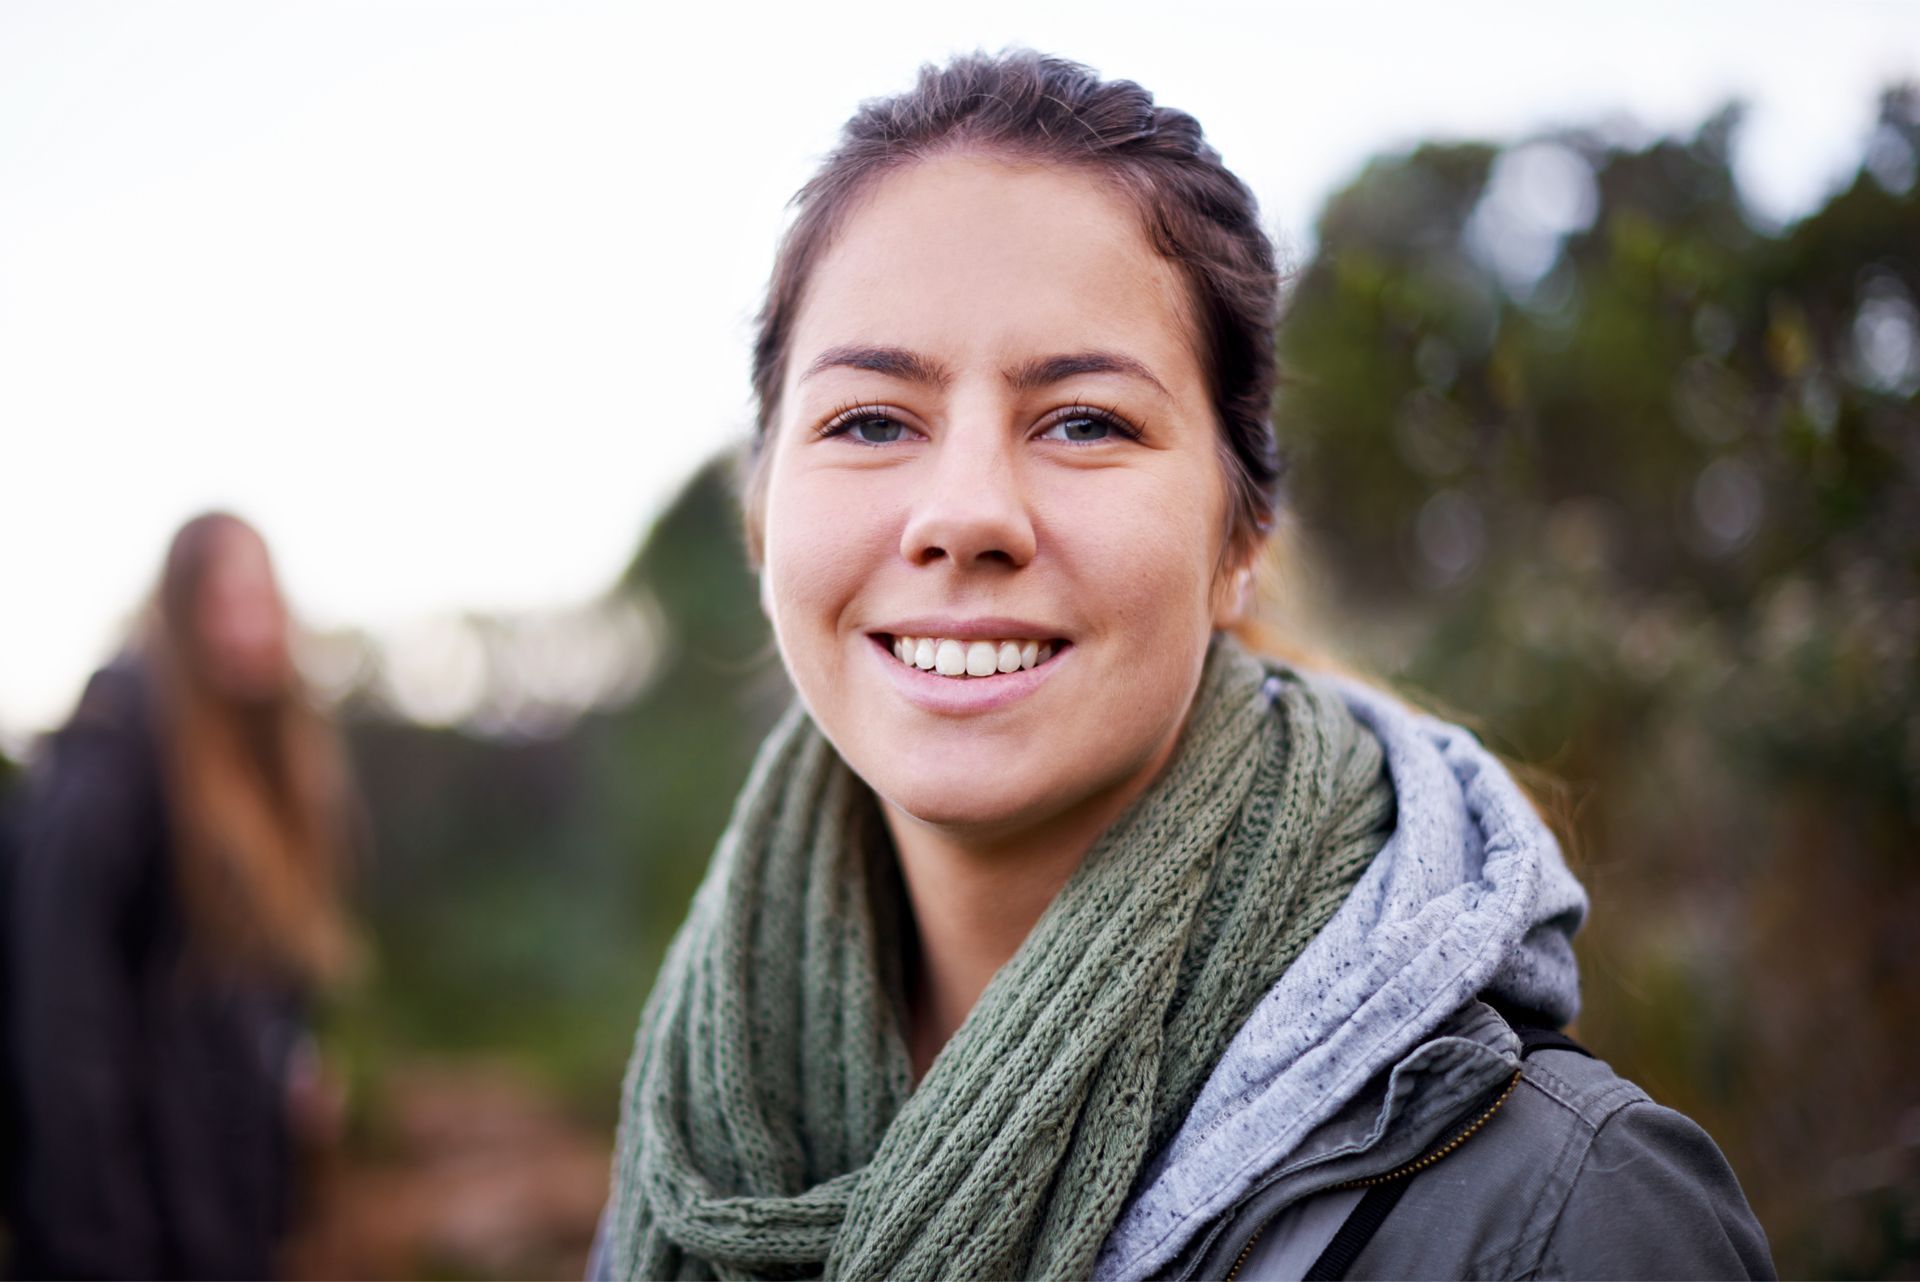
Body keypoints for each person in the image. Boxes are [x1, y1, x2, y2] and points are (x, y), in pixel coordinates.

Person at [595, 51, 1774, 1280]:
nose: (965, 512)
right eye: (873, 420)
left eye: (1085, 421)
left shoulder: (1562, 1216)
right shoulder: (700, 1144)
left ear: (1240, 537)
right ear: (762, 512)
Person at [6, 512, 359, 1280]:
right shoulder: (115, 760)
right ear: (181, 610)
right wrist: (93, 1242)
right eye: (224, 600)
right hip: (131, 1229)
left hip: (223, 1223)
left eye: (261, 597)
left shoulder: (266, 771)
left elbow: (250, 999)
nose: (249, 625)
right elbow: (62, 1020)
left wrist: (286, 1073)